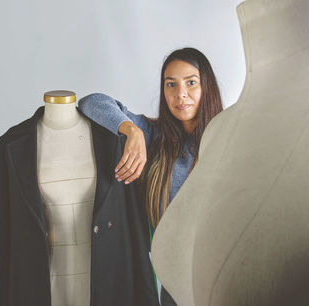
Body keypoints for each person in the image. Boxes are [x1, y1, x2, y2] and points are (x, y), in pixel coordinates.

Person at [78, 47, 223, 306]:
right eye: (171, 84)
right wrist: (131, 131)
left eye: (191, 83)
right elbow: (91, 102)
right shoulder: (153, 136)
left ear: (207, 86)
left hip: (220, 273)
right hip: (170, 280)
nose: (181, 94)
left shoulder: (227, 136)